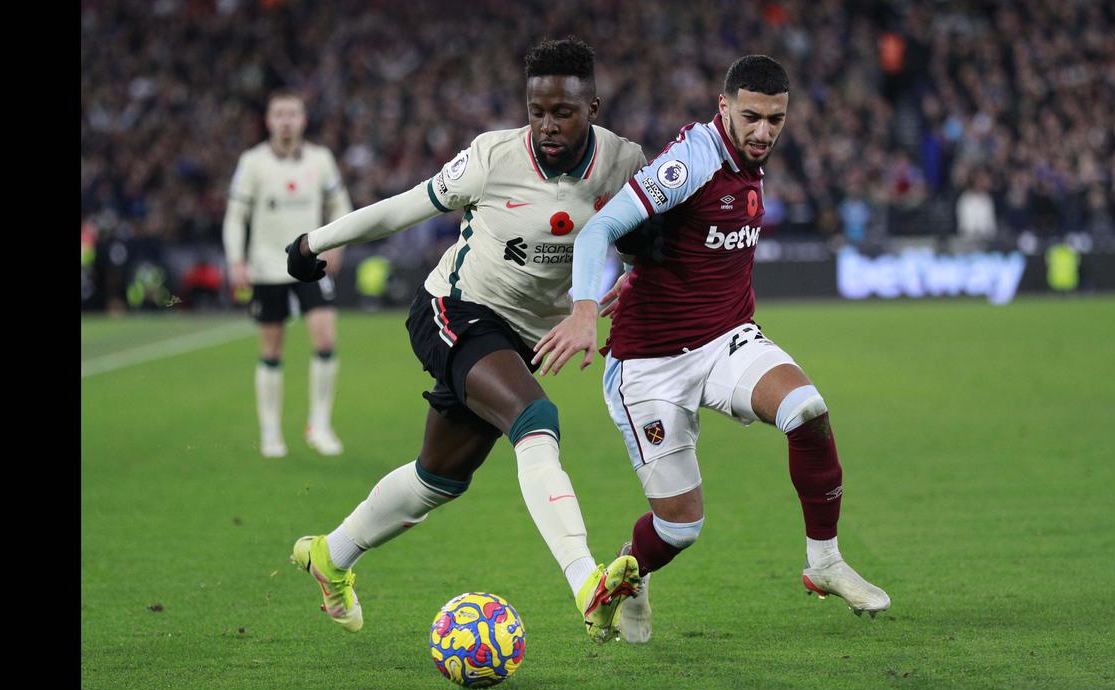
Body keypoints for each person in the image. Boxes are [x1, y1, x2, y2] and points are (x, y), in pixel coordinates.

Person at [284, 38, 648, 642]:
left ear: (593, 108)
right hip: (453, 309)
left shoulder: (623, 162)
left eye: (563, 112)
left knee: (438, 478)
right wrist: (315, 242)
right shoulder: (492, 157)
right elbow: (404, 207)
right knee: (535, 419)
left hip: (522, 337)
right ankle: (588, 584)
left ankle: (331, 555)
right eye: (536, 111)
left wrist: (639, 273)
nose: (547, 126)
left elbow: (647, 240)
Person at [534, 55, 891, 644]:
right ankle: (631, 570)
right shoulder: (692, 161)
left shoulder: (749, 157)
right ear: (723, 107)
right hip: (648, 363)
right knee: (681, 528)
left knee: (807, 410)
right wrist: (582, 311)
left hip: (725, 338)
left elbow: (682, 242)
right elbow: (598, 228)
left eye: (775, 120)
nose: (763, 132)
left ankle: (823, 562)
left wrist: (647, 265)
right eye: (750, 117)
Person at [223, 89, 352, 458]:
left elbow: (340, 203)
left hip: (309, 264)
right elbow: (236, 216)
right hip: (265, 266)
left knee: (325, 338)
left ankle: (320, 425)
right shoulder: (253, 163)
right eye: (279, 114)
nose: (286, 121)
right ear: (268, 120)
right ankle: (270, 432)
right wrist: (236, 260)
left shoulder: (321, 159)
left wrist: (339, 241)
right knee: (271, 348)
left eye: (292, 114)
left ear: (303, 119)